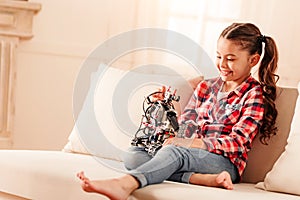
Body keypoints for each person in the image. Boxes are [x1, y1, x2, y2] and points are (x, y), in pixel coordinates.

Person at [77, 22, 279, 200]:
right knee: (135, 154)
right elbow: (185, 126)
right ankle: (200, 179)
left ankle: (124, 184)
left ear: (253, 60)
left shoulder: (254, 94)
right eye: (219, 56)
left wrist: (190, 144)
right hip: (189, 154)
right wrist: (169, 114)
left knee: (174, 152)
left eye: (231, 59)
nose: (222, 64)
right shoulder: (205, 87)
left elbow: (236, 143)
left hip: (223, 162)